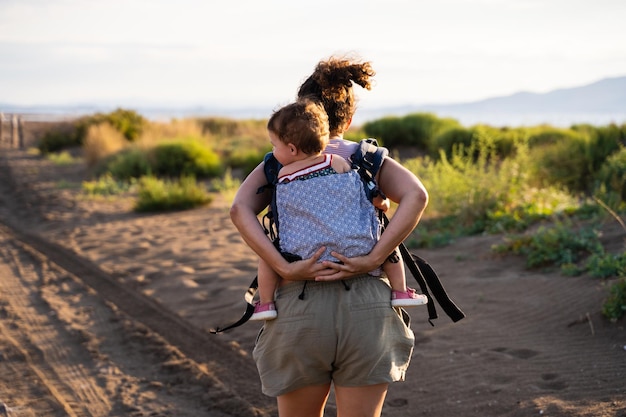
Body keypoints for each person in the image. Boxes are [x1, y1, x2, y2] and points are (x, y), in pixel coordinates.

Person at [230, 54, 429, 417]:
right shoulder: (366, 158)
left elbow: (239, 210)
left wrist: (283, 267)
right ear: (349, 119)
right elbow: (416, 196)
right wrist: (373, 257)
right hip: (368, 305)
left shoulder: (280, 162)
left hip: (299, 301)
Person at [250, 99, 427, 321]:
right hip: (355, 249)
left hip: (301, 254)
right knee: (387, 242)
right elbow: (365, 196)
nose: (273, 152)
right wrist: (382, 204)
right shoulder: (338, 163)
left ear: (292, 149)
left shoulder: (282, 175)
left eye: (274, 146)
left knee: (267, 255)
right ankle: (400, 290)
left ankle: (266, 303)